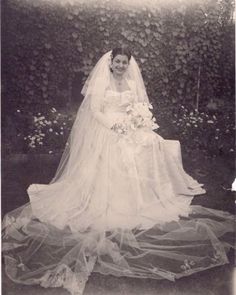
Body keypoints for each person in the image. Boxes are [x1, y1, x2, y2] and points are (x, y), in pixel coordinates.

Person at [2, 47, 234, 295]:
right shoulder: (103, 81)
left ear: (129, 64)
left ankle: (146, 192)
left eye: (125, 62)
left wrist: (138, 121)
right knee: (118, 151)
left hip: (128, 126)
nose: (122, 66)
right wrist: (114, 125)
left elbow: (138, 108)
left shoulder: (132, 83)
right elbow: (94, 111)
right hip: (107, 128)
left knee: (151, 141)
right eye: (118, 62)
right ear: (111, 63)